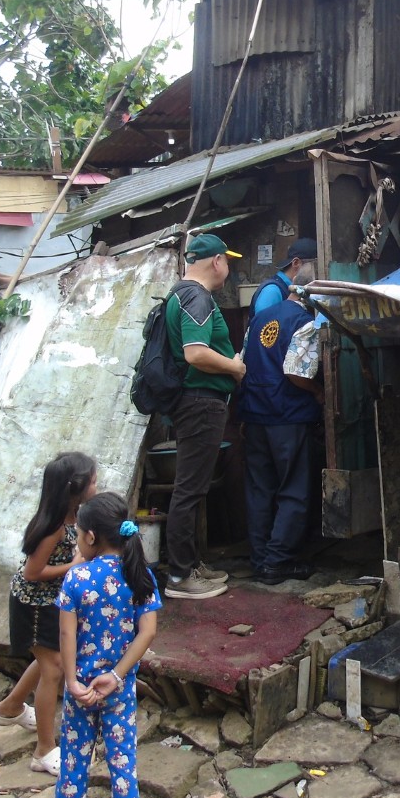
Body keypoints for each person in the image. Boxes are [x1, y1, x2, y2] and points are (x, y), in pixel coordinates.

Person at [54, 492, 161, 798]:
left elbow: (66, 635)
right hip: (119, 689)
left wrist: (72, 682)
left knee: (73, 763)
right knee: (123, 766)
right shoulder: (140, 575)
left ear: (90, 537)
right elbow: (148, 632)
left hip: (81, 691)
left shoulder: (77, 577)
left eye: (78, 536)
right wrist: (116, 676)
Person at [0, 452, 98, 776]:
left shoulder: (74, 518)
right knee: (53, 668)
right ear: (76, 488)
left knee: (48, 660)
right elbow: (32, 572)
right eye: (93, 481)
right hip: (34, 604)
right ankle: (44, 749)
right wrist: (74, 565)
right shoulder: (53, 527)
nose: (97, 486)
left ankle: (10, 708)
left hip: (52, 601)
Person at [163, 233, 245, 600]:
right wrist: (234, 367)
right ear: (216, 261)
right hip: (200, 401)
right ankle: (180, 576)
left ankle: (191, 564)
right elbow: (195, 353)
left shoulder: (179, 294)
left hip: (194, 401)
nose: (228, 268)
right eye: (227, 261)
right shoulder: (197, 297)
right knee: (189, 490)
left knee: (193, 489)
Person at [238, 287, 323, 583]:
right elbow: (296, 373)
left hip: (255, 415)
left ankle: (260, 560)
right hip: (288, 417)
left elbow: (242, 365)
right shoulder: (304, 322)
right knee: (294, 489)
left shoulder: (258, 319)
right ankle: (277, 562)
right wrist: (318, 391)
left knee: (260, 490)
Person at [250, 237, 317, 315]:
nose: (317, 270)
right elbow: (263, 321)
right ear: (296, 263)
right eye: (315, 265)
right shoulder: (272, 291)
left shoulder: (298, 289)